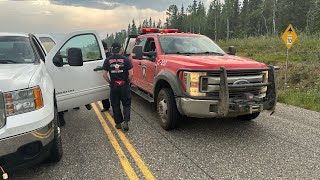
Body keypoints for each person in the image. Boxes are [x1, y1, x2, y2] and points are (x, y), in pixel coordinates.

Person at [102, 42, 133, 130]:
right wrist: (128, 82)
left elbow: (104, 74)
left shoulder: (107, 60)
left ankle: (118, 123)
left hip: (114, 86)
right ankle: (126, 122)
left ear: (112, 49)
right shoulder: (126, 60)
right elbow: (131, 74)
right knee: (126, 104)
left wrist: (110, 82)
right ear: (120, 49)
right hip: (124, 85)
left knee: (115, 104)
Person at [101, 41, 111, 112]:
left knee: (114, 96)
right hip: (105, 76)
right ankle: (106, 106)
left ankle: (116, 111)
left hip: (110, 76)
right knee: (104, 93)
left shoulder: (109, 56)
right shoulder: (101, 55)